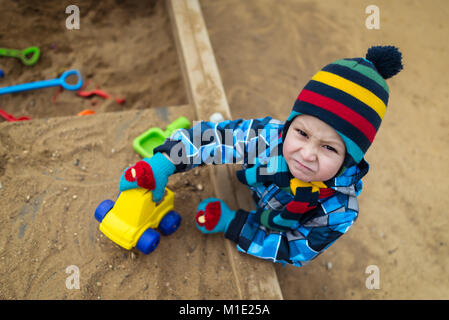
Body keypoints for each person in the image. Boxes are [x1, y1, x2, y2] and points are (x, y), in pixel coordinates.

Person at [119, 45, 403, 267]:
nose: (307, 154)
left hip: (274, 221)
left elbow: (294, 248)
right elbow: (216, 138)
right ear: (290, 124)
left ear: (349, 159)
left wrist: (234, 223)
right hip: (258, 185)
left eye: (329, 148)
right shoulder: (269, 137)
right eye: (301, 133)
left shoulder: (339, 209)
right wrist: (164, 162)